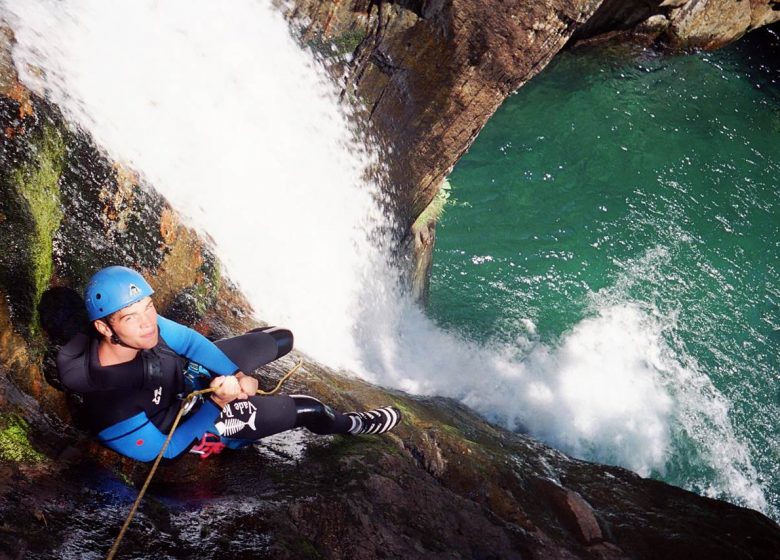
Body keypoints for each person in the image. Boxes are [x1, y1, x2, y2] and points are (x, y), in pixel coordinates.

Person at [54, 266, 401, 462]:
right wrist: (216, 403)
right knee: (308, 409)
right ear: (104, 327)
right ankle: (351, 424)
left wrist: (235, 375)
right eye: (132, 317)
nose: (148, 322)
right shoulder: (111, 404)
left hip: (189, 380)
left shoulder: (146, 328)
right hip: (190, 426)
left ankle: (229, 381)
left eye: (149, 307)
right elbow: (164, 450)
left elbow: (188, 341)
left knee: (282, 337)